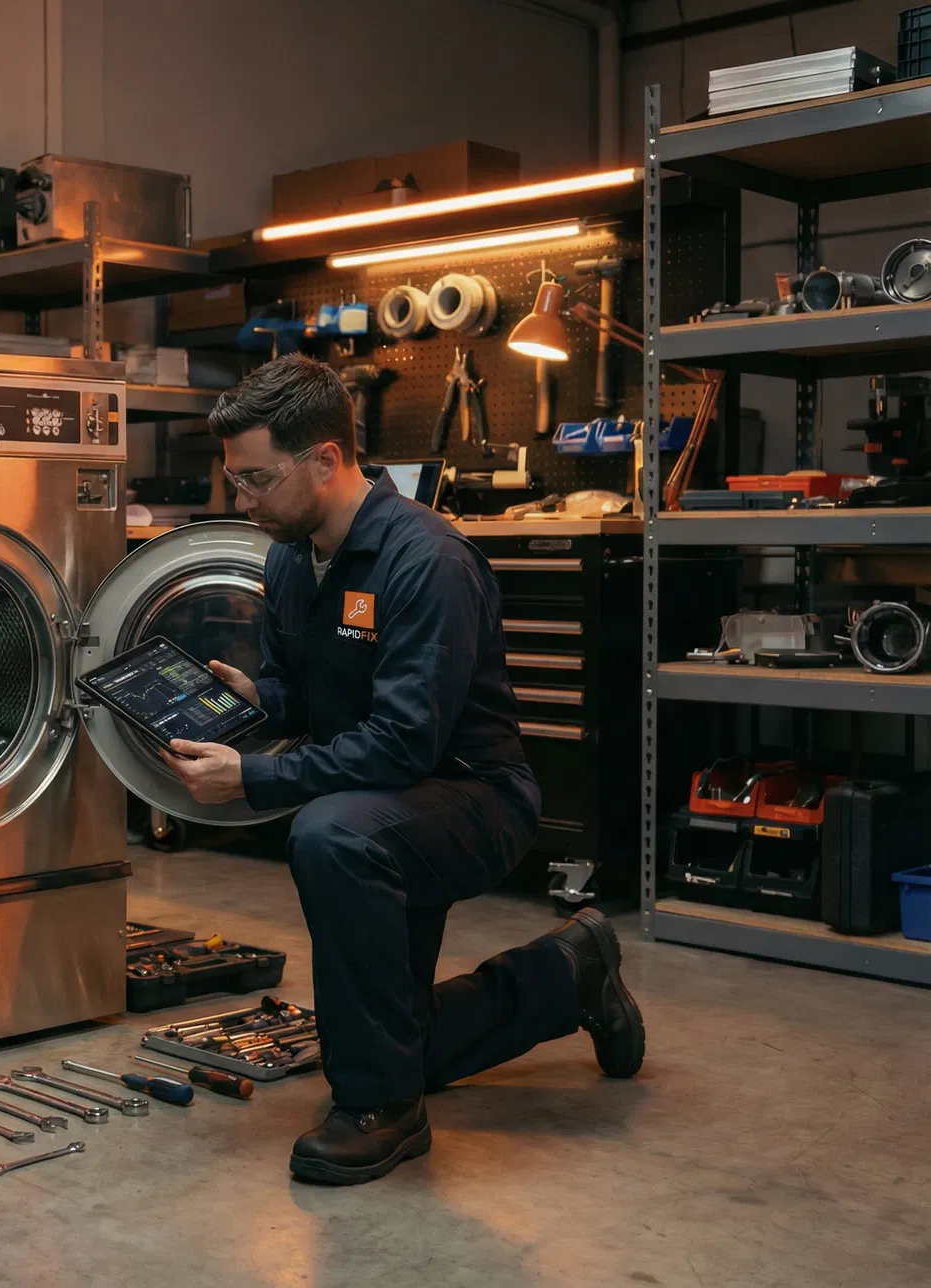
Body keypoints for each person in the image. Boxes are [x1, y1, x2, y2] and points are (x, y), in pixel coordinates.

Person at [162, 355, 644, 1186]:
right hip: (379, 798)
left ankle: (382, 1110)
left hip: (471, 797)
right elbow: (312, 696)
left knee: (330, 836)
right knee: (398, 1033)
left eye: (256, 481)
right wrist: (258, 702)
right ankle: (569, 973)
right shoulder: (290, 555)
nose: (242, 502)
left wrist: (253, 778)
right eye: (233, 482)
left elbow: (403, 745)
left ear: (325, 459)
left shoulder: (428, 562)